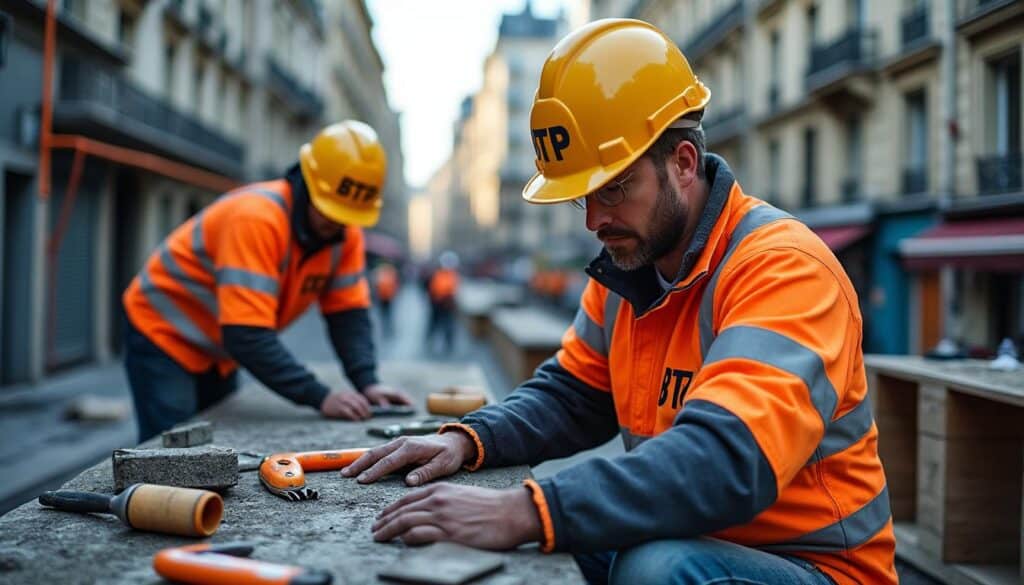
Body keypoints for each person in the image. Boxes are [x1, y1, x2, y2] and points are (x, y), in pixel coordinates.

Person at [341, 20, 895, 585]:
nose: (594, 220)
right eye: (583, 195)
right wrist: (470, 439)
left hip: (817, 565)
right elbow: (572, 395)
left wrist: (527, 510)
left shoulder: (783, 267)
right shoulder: (627, 267)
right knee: (525, 546)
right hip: (691, 532)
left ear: (683, 163)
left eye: (613, 188)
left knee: (647, 567)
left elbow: (728, 458)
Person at [122, 121, 412, 441]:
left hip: (218, 347)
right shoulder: (256, 218)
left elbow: (348, 314)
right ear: (309, 183)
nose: (339, 222)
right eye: (331, 211)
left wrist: (367, 382)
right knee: (171, 450)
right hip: (164, 332)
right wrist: (319, 396)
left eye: (348, 215)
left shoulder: (345, 234)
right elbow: (247, 334)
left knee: (216, 442)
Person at [424, 251, 459, 354]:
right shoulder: (438, 275)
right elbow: (432, 289)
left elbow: (454, 290)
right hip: (437, 304)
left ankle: (448, 343)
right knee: (435, 323)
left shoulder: (452, 275)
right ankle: (430, 340)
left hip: (446, 304)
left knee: (447, 325)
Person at [373, 263, 400, 336]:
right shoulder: (381, 272)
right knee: (384, 314)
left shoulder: (390, 272)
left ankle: (389, 329)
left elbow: (395, 284)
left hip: (388, 297)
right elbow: (376, 286)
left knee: (388, 314)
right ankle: (386, 329)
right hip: (382, 297)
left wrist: (394, 293)